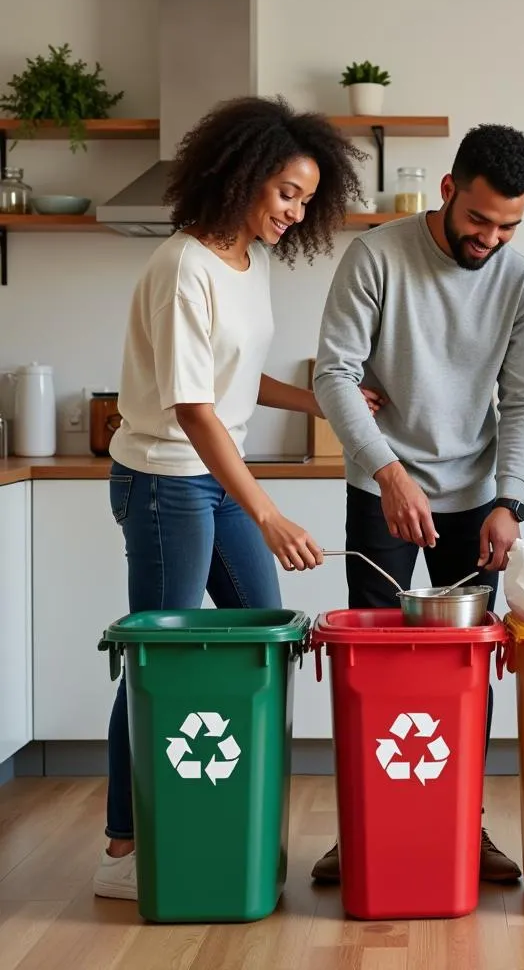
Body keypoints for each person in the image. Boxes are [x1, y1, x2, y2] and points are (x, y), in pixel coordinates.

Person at [93, 96, 368, 901]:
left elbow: (237, 382)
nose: (296, 211)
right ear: (242, 174)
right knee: (157, 656)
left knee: (266, 634)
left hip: (211, 478)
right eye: (286, 191)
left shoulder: (250, 261)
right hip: (164, 482)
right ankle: (126, 842)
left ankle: (218, 808)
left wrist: (323, 402)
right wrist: (269, 511)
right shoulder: (182, 267)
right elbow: (192, 408)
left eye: (307, 199)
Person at [311, 123, 524, 885]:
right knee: (374, 667)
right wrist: (386, 470)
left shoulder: (520, 281)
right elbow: (334, 374)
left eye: (509, 225)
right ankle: (367, 828)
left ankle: (463, 824)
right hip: (381, 488)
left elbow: (523, 401)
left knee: (463, 673)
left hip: (475, 502)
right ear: (448, 191)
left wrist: (510, 500)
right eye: (480, 220)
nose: (491, 238)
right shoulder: (377, 257)